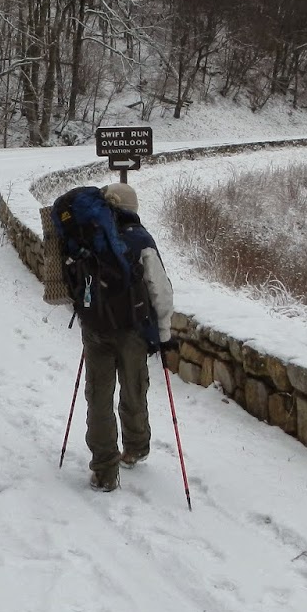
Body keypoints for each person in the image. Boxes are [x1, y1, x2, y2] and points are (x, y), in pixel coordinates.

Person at [81, 182, 175, 493]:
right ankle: (135, 447)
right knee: (134, 388)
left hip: (95, 328)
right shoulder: (140, 239)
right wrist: (164, 333)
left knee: (98, 396)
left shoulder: (89, 235)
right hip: (133, 329)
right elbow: (159, 288)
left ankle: (104, 470)